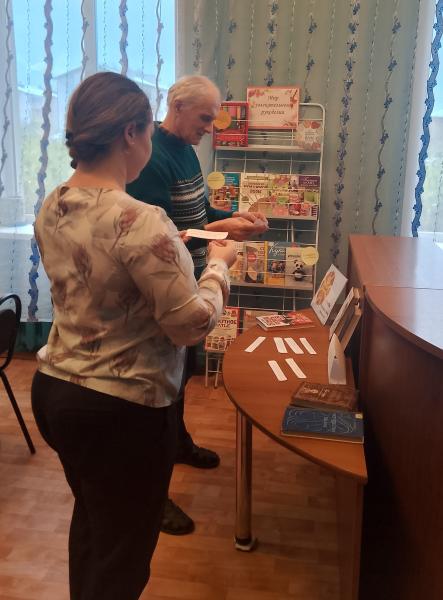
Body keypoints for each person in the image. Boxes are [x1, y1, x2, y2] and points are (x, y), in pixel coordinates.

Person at [31, 72, 236, 600]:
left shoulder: (52, 203)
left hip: (56, 391)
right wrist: (219, 266)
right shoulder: (142, 220)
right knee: (123, 557)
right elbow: (189, 324)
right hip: (122, 407)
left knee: (95, 525)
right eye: (146, 131)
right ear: (130, 133)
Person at [127, 75, 268, 535]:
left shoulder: (186, 149)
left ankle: (179, 445)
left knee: (182, 377)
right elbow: (163, 238)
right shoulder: (152, 160)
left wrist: (232, 220)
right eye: (205, 118)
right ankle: (152, 496)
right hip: (169, 290)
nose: (211, 127)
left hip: (191, 281)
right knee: (160, 394)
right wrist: (224, 234)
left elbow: (197, 216)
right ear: (178, 107)